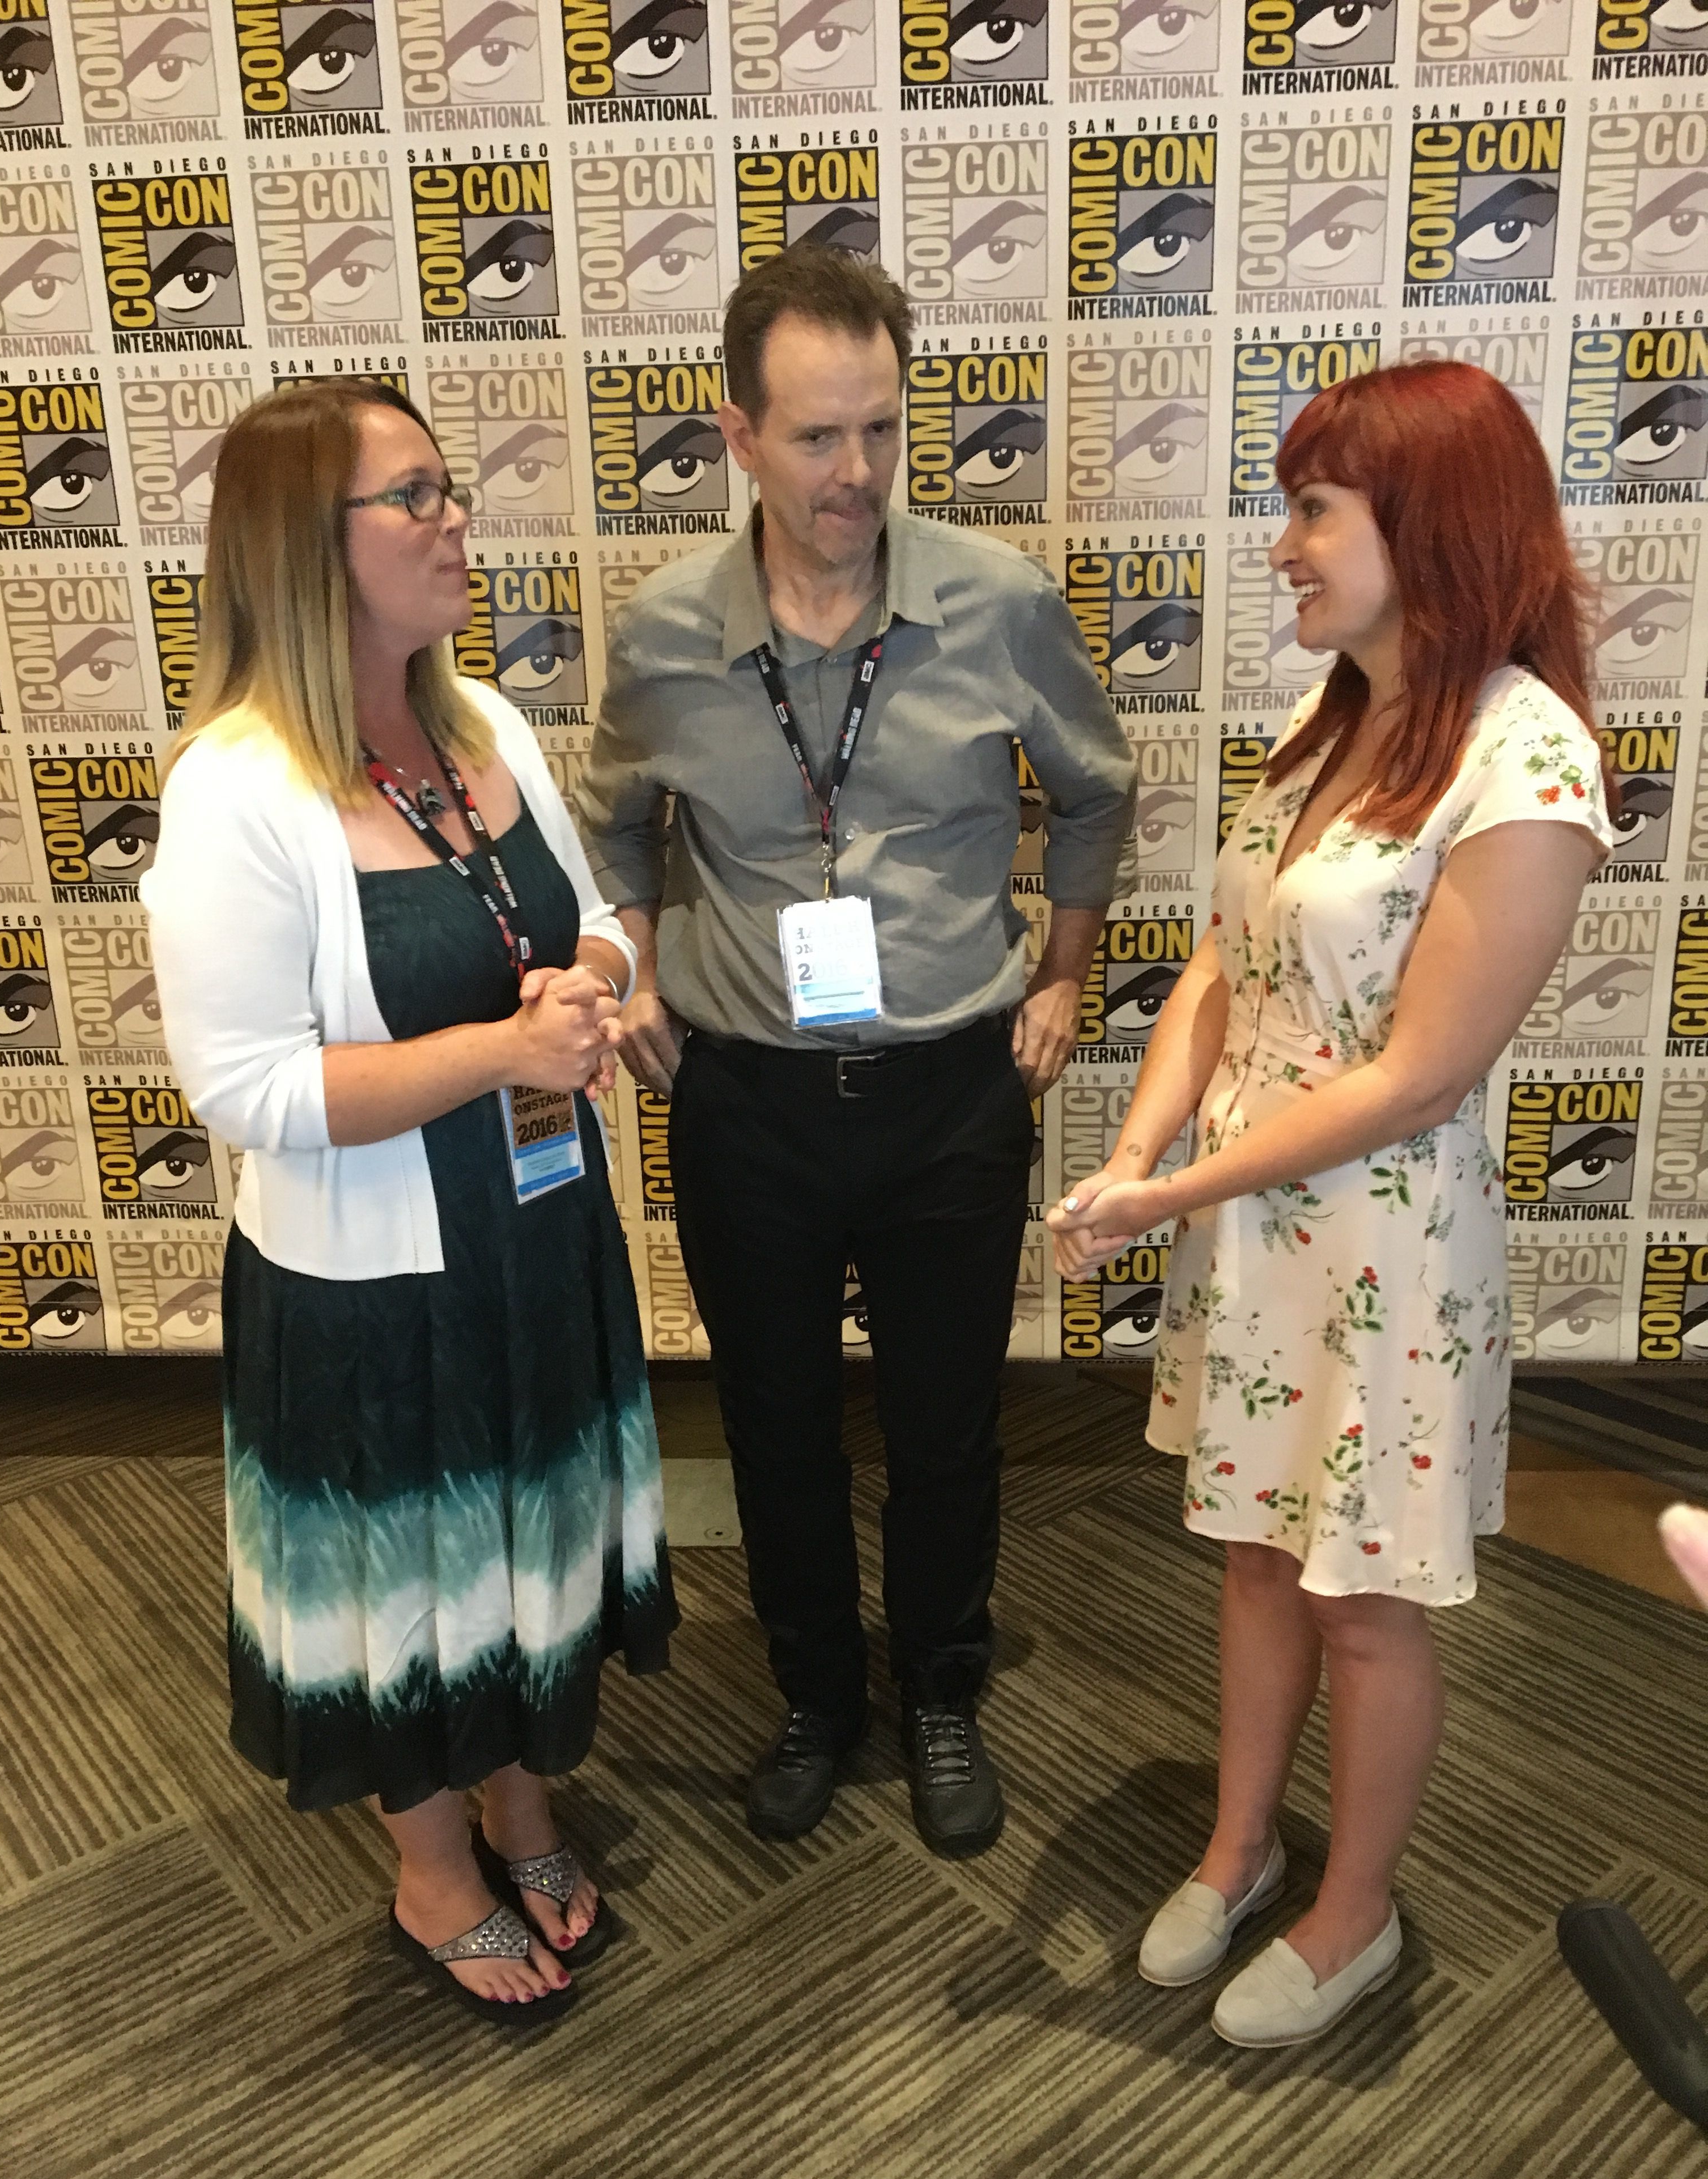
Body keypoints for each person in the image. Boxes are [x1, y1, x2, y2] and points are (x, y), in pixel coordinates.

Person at [1049, 360, 1614, 2046]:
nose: (1283, 545)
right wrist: (1143, 1159)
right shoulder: (1335, 724)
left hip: (1383, 1250)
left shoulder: (1526, 753)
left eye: (1314, 508)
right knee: (1251, 1557)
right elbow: (1225, 963)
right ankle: (1239, 1851)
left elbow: (1421, 1076)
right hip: (1254, 1232)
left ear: (1426, 524)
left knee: (1359, 1599)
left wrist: (1176, 1188)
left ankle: (1353, 1910)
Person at [580, 248, 1133, 1855]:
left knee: (949, 1426)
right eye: (818, 437)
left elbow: (1094, 790)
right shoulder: (666, 633)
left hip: (949, 1093)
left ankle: (942, 1688)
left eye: (882, 430)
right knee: (775, 1424)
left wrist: (1063, 978)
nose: (857, 473)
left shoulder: (998, 602)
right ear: (739, 437)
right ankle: (817, 1694)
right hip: (745, 1099)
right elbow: (614, 820)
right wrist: (637, 966)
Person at [143, 380, 675, 2025]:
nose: (456, 520)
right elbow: (248, 1090)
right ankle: (433, 1864)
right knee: (410, 1580)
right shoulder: (236, 790)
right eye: (416, 497)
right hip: (370, 1279)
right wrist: (502, 1049)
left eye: (450, 488)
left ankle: (522, 1798)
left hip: (536, 1228)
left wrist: (593, 987)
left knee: (523, 1537)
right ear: (308, 548)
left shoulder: (484, 727)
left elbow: (600, 921)